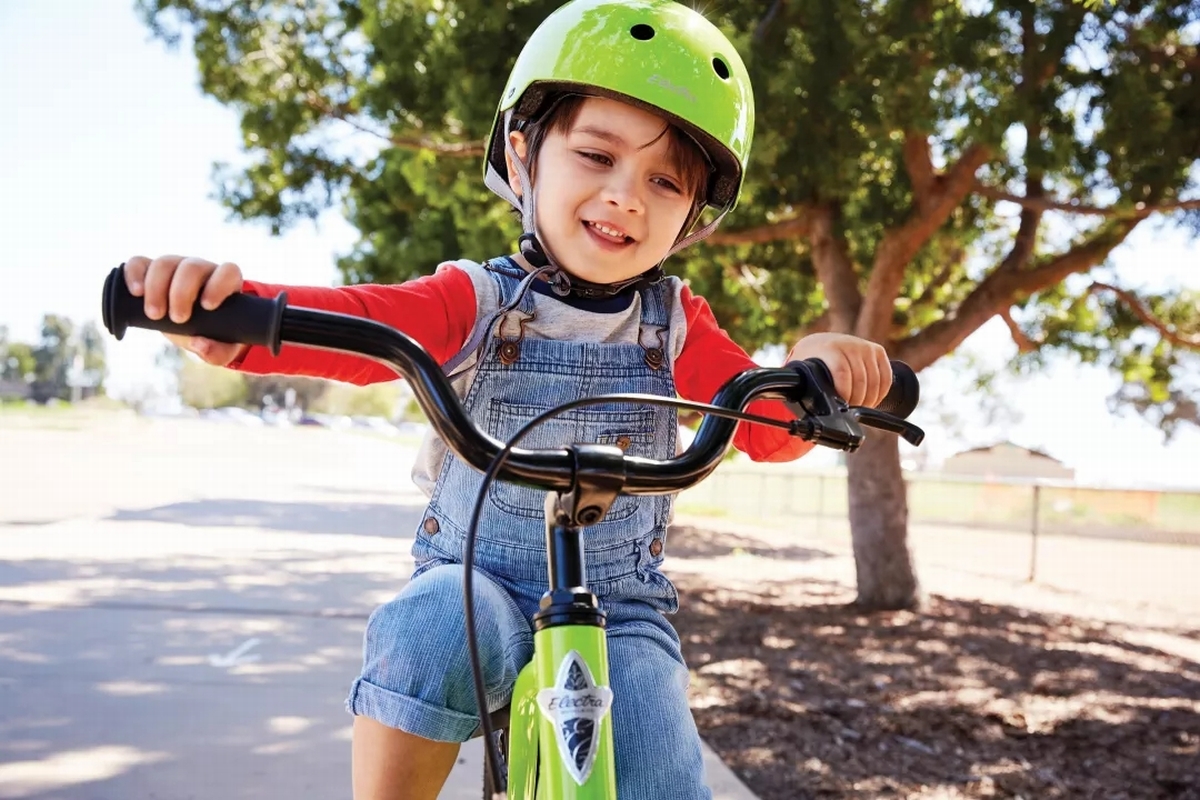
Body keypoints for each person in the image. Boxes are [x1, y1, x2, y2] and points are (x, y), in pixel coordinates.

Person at [121, 1, 891, 797]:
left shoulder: (678, 326)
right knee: (425, 638)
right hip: (471, 578)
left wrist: (810, 374)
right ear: (523, 158)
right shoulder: (475, 301)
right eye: (596, 155)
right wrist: (232, 316)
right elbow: (356, 324)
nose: (627, 195)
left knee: (655, 745)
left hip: (619, 607)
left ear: (692, 216)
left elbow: (760, 424)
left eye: (665, 181)